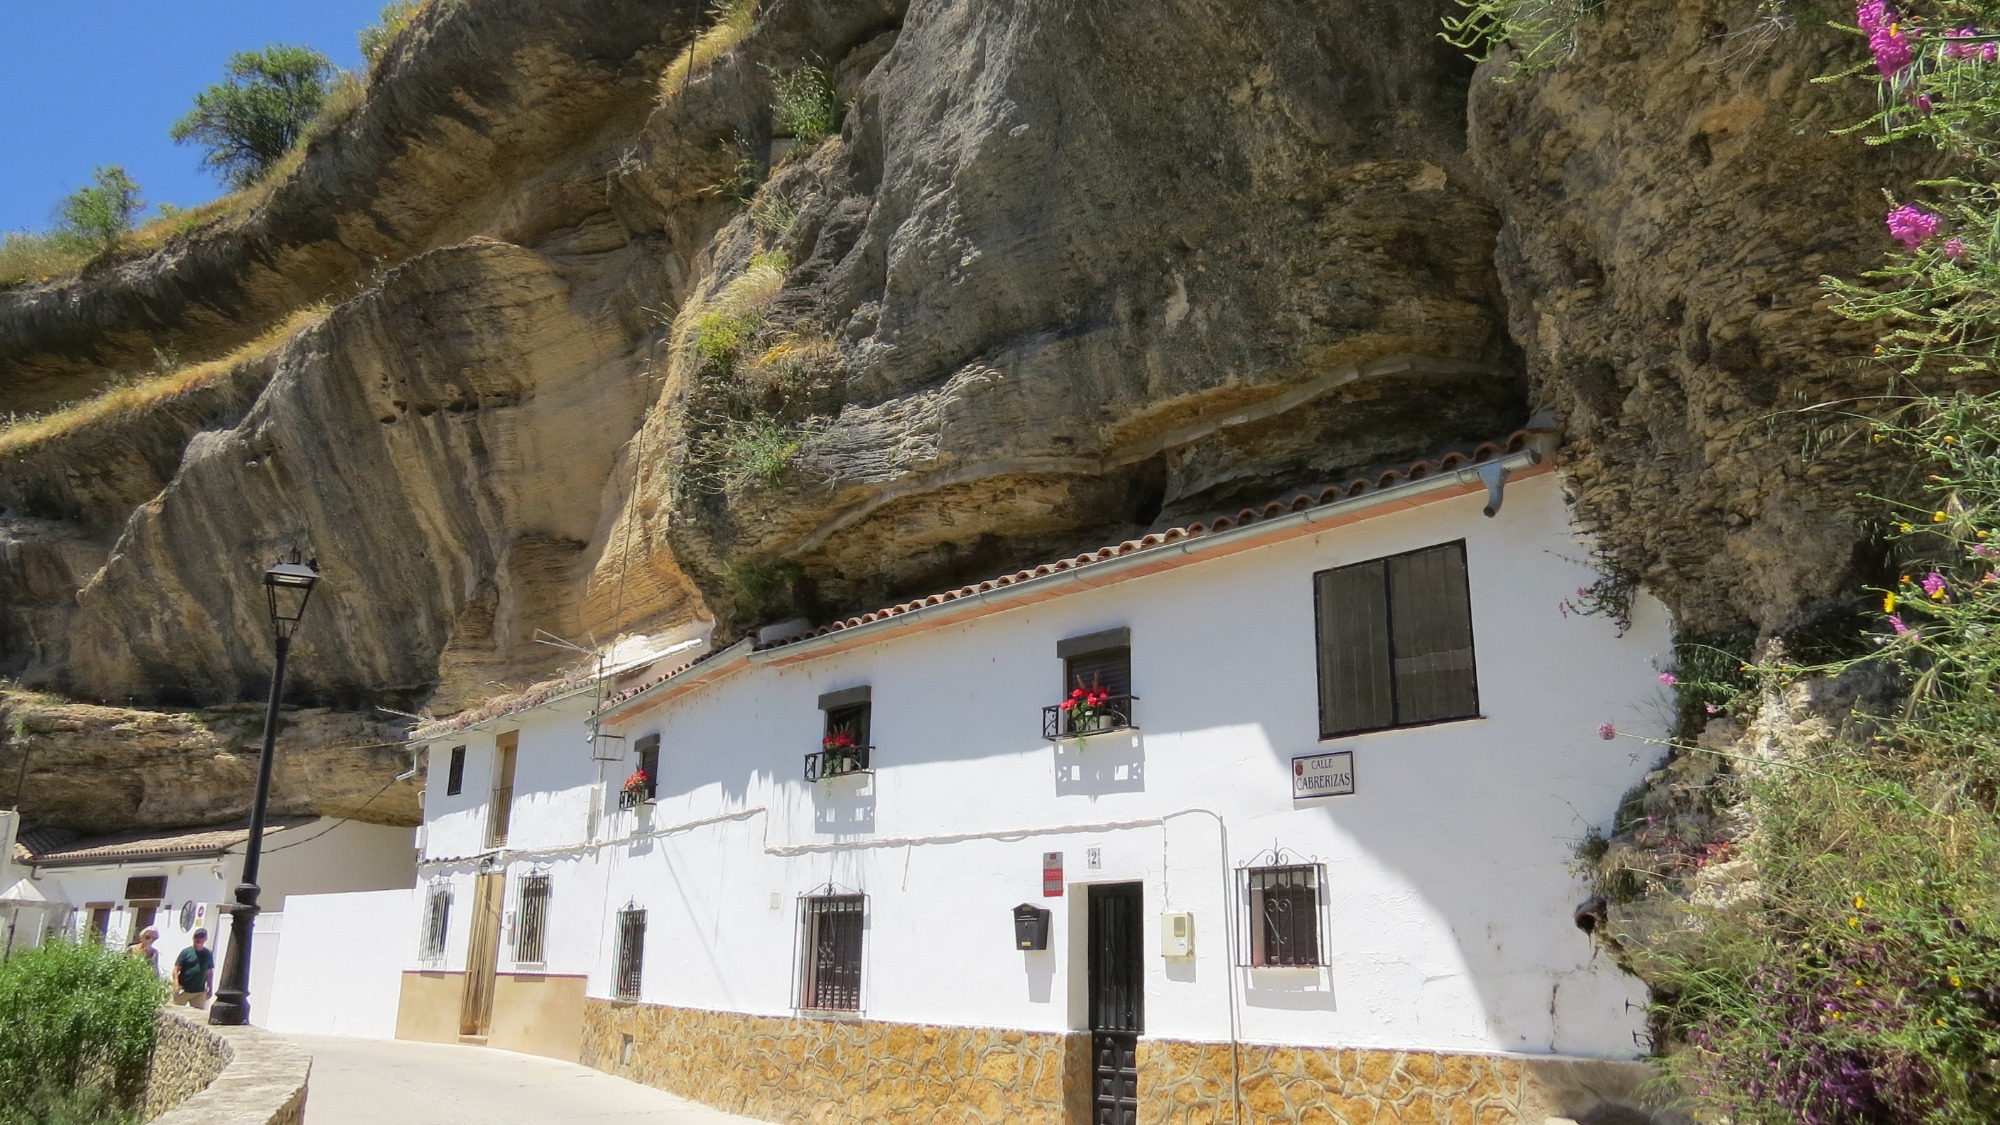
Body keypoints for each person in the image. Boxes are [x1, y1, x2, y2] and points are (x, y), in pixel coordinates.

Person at [172, 929, 214, 1009]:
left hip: (199, 992)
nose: (198, 939)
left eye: (201, 937)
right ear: (193, 938)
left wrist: (210, 988)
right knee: (176, 1011)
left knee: (197, 1014)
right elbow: (176, 969)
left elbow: (209, 972)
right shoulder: (186, 952)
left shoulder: (208, 954)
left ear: (205, 939)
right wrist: (176, 985)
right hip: (183, 990)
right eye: (196, 937)